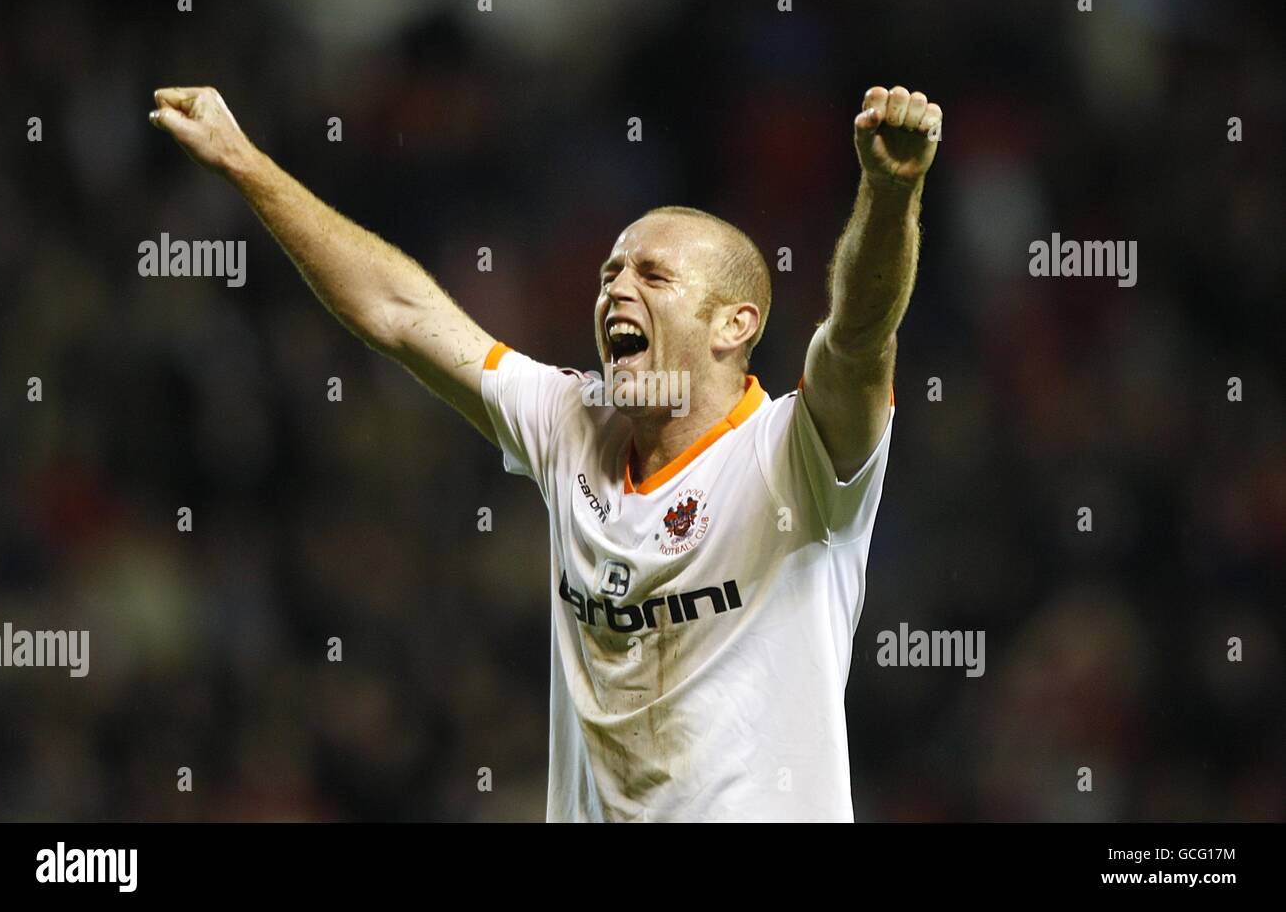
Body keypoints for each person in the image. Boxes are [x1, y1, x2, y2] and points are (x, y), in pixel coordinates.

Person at [149, 83, 942, 821]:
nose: (615, 289)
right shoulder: (573, 422)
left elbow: (859, 338)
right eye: (610, 273)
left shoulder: (794, 455)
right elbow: (398, 311)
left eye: (653, 275)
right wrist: (244, 163)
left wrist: (890, 193)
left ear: (733, 325)